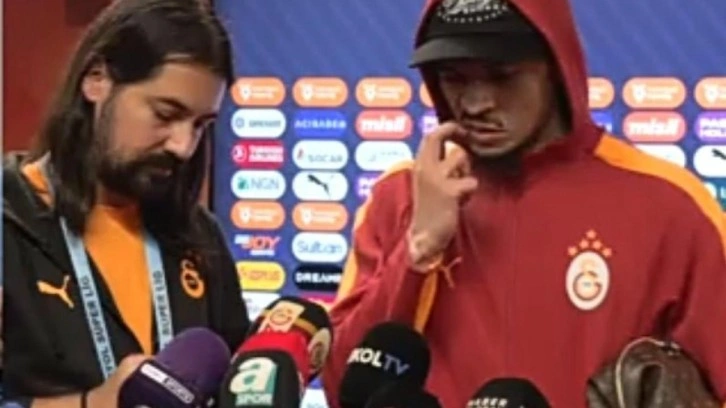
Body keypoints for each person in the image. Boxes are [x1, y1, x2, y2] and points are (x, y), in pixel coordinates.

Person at [323, 0, 726, 406]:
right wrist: (418, 248)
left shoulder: (671, 205)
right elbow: (343, 386)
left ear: (557, 67)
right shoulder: (399, 197)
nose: (476, 104)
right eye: (454, 78)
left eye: (503, 76)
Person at [2, 0, 249, 406]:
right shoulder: (10, 219)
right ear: (97, 80)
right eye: (165, 114)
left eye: (200, 125)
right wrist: (94, 403)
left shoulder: (199, 237)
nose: (184, 147)